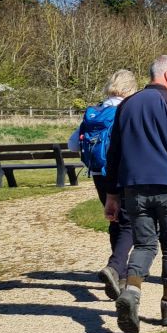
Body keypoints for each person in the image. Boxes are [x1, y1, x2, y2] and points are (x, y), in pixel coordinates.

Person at [103, 55, 167, 333]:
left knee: (145, 244)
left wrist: (112, 193)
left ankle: (131, 292)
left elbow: (114, 153)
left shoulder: (127, 105)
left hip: (134, 187)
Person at [70, 69, 138, 300]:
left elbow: (72, 144)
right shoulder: (126, 110)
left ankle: (120, 271)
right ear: (131, 89)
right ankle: (116, 268)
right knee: (129, 221)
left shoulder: (94, 112)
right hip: (122, 171)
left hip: (99, 173)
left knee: (114, 219)